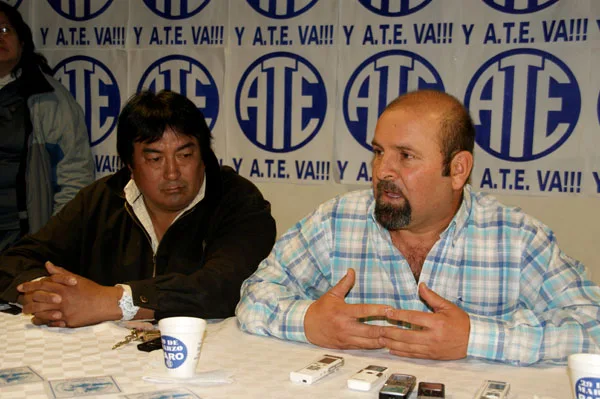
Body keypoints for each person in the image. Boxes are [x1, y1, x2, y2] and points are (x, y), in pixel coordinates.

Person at [236, 89, 600, 366]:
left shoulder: (516, 238)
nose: (383, 171)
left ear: (457, 169)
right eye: (379, 152)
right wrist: (308, 321)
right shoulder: (336, 222)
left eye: (405, 156)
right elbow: (254, 295)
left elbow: (592, 327)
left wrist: (476, 338)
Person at [0, 89, 277, 328]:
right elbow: (15, 261)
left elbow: (224, 287)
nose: (172, 173)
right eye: (155, 159)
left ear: (203, 156)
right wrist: (43, 295)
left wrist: (112, 301)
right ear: (130, 166)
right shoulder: (101, 199)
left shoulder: (239, 201)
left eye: (185, 155)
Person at [0, 2, 94, 251]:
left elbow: (75, 176)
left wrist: (53, 236)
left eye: (6, 30)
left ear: (22, 42)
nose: (0, 37)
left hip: (24, 238)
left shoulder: (49, 97)